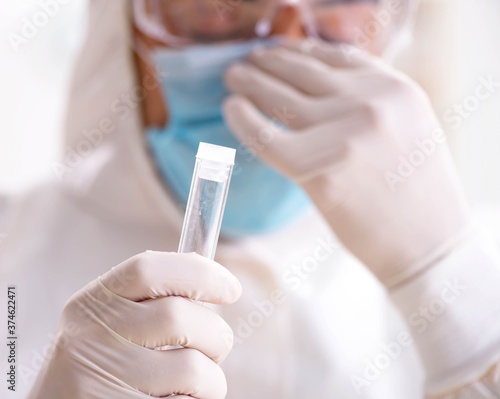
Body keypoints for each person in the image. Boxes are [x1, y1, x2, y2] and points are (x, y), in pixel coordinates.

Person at [1, 0, 500, 397]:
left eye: (335, 1)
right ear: (120, 26)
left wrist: (445, 281)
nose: (286, 44)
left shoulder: (480, 265)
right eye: (223, 5)